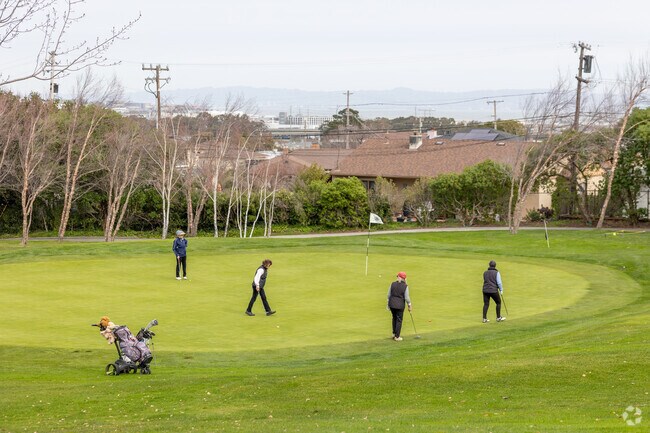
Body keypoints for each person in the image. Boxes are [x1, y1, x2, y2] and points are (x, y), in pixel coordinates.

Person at [387, 271, 412, 341]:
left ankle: (394, 333)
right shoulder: (405, 286)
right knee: (399, 320)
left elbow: (388, 295)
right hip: (400, 305)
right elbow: (407, 297)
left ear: (399, 277)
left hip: (392, 304)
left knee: (394, 318)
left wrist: (388, 304)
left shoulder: (392, 284)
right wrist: (409, 305)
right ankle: (397, 336)